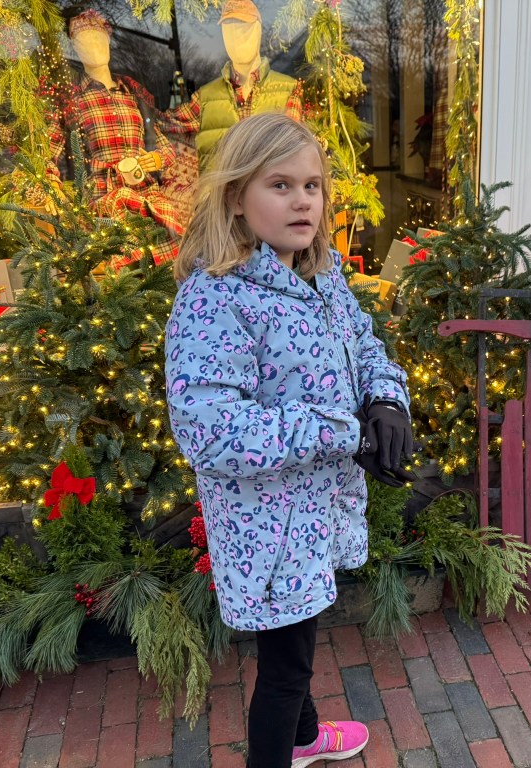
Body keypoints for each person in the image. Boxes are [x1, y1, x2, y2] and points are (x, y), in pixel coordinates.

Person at [164, 113, 414, 768]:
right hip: (268, 525)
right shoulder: (216, 298)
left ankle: (303, 740)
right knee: (285, 668)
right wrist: (345, 433)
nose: (303, 200)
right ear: (236, 198)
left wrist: (385, 402)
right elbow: (211, 427)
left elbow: (365, 345)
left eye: (312, 185)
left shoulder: (321, 276)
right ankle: (282, 749)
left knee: (294, 646)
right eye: (280, 185)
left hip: (316, 511)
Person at [48, 9, 189, 263]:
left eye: (98, 37)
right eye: (84, 40)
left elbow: (165, 147)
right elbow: (49, 152)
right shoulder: (72, 99)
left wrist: (156, 160)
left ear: (108, 40)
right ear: (75, 49)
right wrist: (50, 186)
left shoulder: (132, 93)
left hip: (145, 192)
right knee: (127, 244)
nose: (94, 45)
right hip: (104, 201)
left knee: (173, 244)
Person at [164, 0, 303, 171]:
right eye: (229, 31)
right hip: (219, 189)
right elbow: (163, 125)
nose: (236, 37)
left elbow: (293, 153)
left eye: (244, 28)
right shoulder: (205, 98)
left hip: (267, 188)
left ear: (257, 31)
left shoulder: (288, 89)